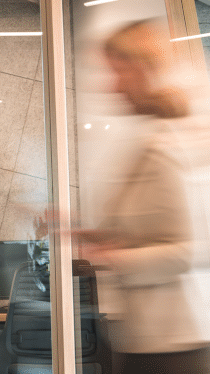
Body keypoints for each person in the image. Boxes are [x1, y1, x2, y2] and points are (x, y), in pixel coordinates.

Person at [78, 20, 210, 374]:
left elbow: (185, 252)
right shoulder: (144, 140)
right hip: (146, 338)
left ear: (142, 69)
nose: (111, 86)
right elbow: (144, 232)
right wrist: (87, 234)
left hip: (174, 344)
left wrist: (112, 257)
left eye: (117, 71)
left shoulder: (164, 146)